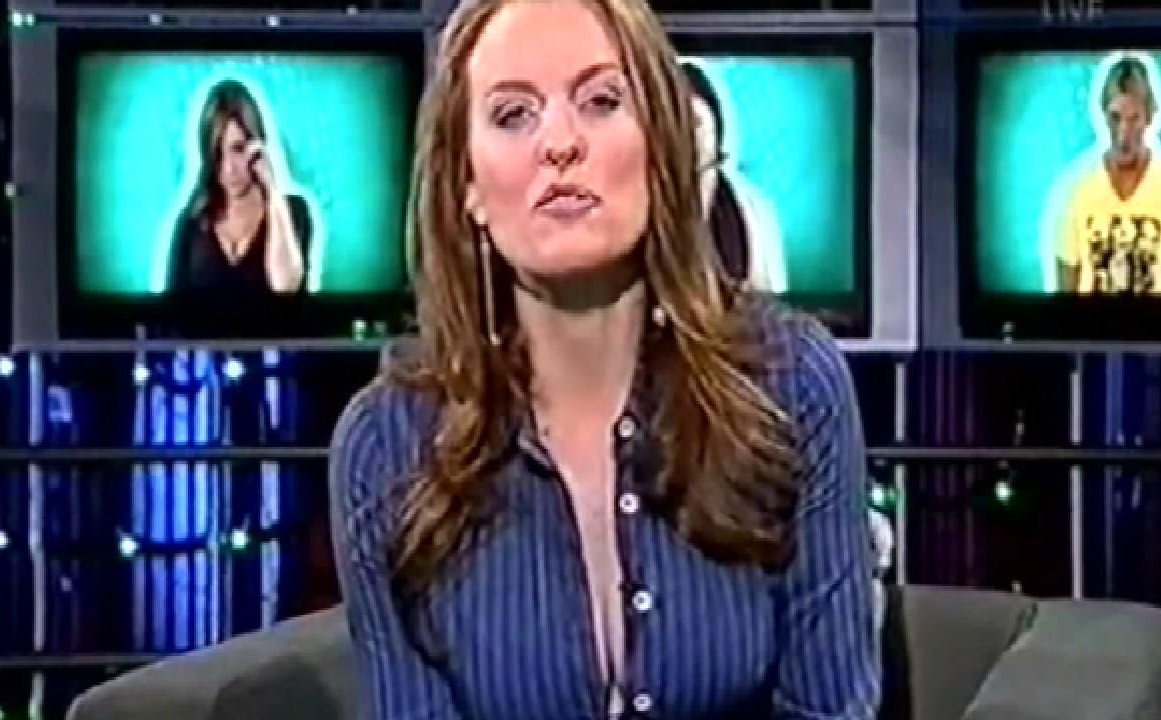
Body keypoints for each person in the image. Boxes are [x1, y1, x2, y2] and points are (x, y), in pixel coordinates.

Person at [329, 0, 879, 717]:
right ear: (467, 185)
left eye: (600, 101)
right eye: (513, 115)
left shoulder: (792, 383)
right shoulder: (386, 445)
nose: (560, 144)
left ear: (661, 145)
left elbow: (831, 705)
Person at [1050, 54, 1161, 296]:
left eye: (1134, 118)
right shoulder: (1076, 189)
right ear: (1103, 115)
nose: (1123, 134)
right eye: (1115, 118)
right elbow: (1066, 282)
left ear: (1149, 117)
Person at [166, 79, 311, 298]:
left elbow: (286, 286)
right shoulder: (193, 224)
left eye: (238, 149)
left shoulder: (293, 212)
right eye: (218, 154)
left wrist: (272, 188)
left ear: (257, 146)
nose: (229, 168)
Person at [681, 59, 790, 294]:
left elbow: (773, 301)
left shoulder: (753, 210)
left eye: (697, 122)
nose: (692, 134)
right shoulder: (635, 209)